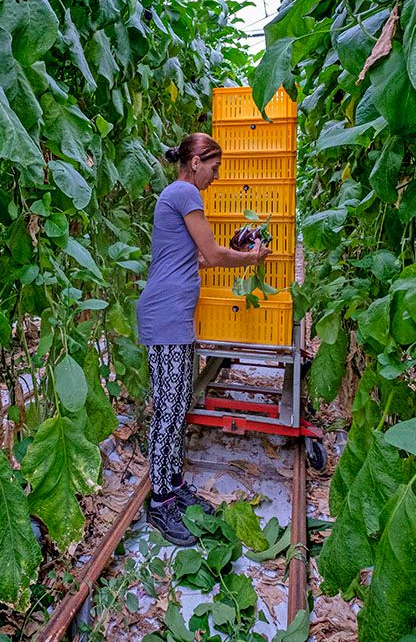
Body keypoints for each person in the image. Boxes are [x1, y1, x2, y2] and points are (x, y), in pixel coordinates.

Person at [135, 132, 272, 546]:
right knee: (170, 409)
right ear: (195, 163)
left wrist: (225, 249)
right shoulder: (184, 193)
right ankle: (160, 502)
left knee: (177, 404)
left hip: (170, 315)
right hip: (167, 317)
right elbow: (212, 256)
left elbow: (195, 257)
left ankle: (173, 486)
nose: (216, 176)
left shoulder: (174, 196)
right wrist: (250, 257)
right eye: (214, 167)